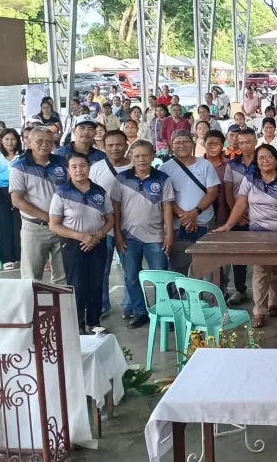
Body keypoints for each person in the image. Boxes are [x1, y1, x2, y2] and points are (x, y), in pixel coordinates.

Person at [214, 144, 277, 325]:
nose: (265, 160)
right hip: (258, 233)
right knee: (261, 271)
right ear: (256, 162)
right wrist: (228, 225)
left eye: (269, 157)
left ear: (276, 160)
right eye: (261, 158)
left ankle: (274, 303)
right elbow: (240, 204)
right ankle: (259, 312)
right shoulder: (250, 179)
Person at [49, 153, 114, 333]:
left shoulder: (99, 191)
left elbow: (110, 219)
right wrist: (81, 237)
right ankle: (77, 327)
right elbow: (54, 225)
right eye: (74, 167)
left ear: (89, 168)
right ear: (68, 171)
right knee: (77, 285)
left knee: (96, 284)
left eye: (83, 166)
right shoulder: (62, 193)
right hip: (72, 245)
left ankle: (94, 323)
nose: (79, 170)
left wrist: (98, 235)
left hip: (97, 243)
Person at [113, 140, 175, 328]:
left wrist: (169, 234)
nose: (141, 159)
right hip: (128, 237)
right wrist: (117, 234)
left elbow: (167, 207)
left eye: (145, 155)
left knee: (161, 277)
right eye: (137, 155)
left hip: (155, 237)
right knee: (131, 276)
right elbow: (115, 209)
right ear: (131, 156)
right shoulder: (121, 179)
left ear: (153, 156)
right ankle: (140, 312)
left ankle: (163, 312)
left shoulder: (162, 179)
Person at [10, 128, 70, 285]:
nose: (45, 144)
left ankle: (61, 309)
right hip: (35, 228)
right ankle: (31, 310)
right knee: (31, 278)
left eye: (49, 141)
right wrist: (49, 218)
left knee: (63, 276)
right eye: (39, 141)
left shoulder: (62, 162)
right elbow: (17, 201)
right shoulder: (19, 166)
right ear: (29, 142)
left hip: (64, 227)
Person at [159, 130, 221, 274]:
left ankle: (206, 296)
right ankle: (180, 296)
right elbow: (166, 199)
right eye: (177, 142)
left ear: (193, 144)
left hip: (205, 222)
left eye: (186, 141)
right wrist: (186, 217)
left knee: (208, 266)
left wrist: (194, 213)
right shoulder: (165, 169)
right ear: (171, 146)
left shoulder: (205, 165)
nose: (182, 145)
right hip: (178, 225)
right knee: (179, 266)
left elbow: (212, 192)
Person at [88, 130, 132, 318]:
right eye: (110, 145)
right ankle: (103, 304)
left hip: (128, 227)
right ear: (104, 147)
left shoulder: (134, 165)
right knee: (101, 269)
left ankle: (131, 305)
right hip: (103, 228)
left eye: (119, 144)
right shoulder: (96, 168)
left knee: (130, 270)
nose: (115, 148)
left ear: (126, 145)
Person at [222, 127, 259, 304]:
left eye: (248, 142)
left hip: (260, 217)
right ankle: (240, 289)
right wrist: (236, 214)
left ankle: (274, 290)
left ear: (255, 142)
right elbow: (229, 192)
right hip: (239, 216)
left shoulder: (263, 162)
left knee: (263, 255)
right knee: (239, 255)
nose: (244, 146)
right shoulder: (232, 165)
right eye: (241, 142)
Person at [0, 128, 22, 269]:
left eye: (13, 139)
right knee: (3, 225)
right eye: (6, 139)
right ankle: (7, 258)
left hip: (19, 192)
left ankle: (19, 256)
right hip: (0, 194)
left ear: (17, 140)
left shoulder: (23, 156)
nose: (10, 142)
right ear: (1, 141)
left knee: (18, 225)